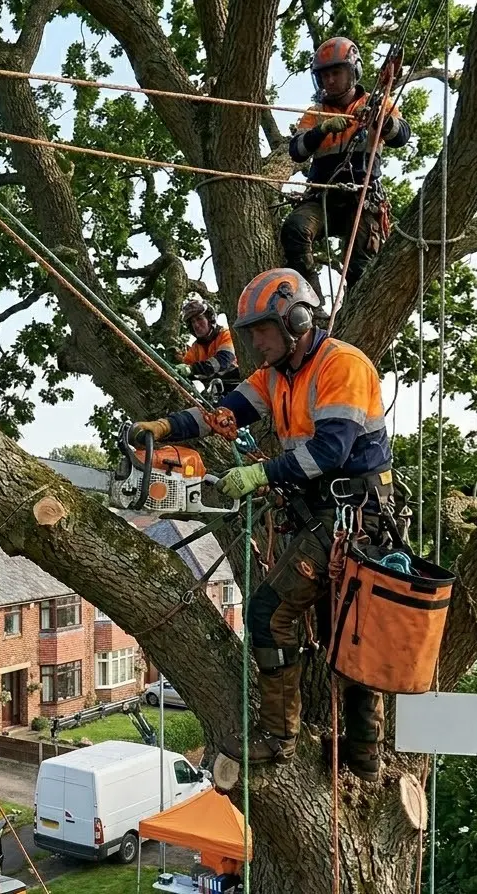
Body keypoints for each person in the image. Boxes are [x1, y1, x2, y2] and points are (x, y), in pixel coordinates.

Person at [132, 268, 394, 782]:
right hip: (322, 515)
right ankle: (363, 753)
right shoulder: (275, 375)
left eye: (261, 330)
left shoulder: (343, 366)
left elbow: (329, 451)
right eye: (249, 332)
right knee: (344, 631)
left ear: (294, 321)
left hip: (353, 516)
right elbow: (221, 414)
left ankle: (281, 738)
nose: (253, 341)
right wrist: (165, 426)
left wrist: (257, 473)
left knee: (269, 612)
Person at [282, 36, 411, 300]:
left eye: (336, 73)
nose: (329, 81)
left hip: (362, 199)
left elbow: (401, 136)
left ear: (353, 71)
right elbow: (296, 151)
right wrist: (322, 130)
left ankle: (352, 313)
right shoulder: (316, 113)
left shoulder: (377, 104)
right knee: (295, 228)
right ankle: (308, 303)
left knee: (361, 268)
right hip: (323, 199)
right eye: (324, 76)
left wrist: (383, 122)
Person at [174, 297, 240, 391]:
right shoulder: (195, 348)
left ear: (210, 319)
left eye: (199, 319)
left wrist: (191, 369)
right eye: (192, 322)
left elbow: (223, 361)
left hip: (236, 387)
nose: (196, 325)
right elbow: (186, 367)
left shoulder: (226, 335)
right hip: (212, 394)